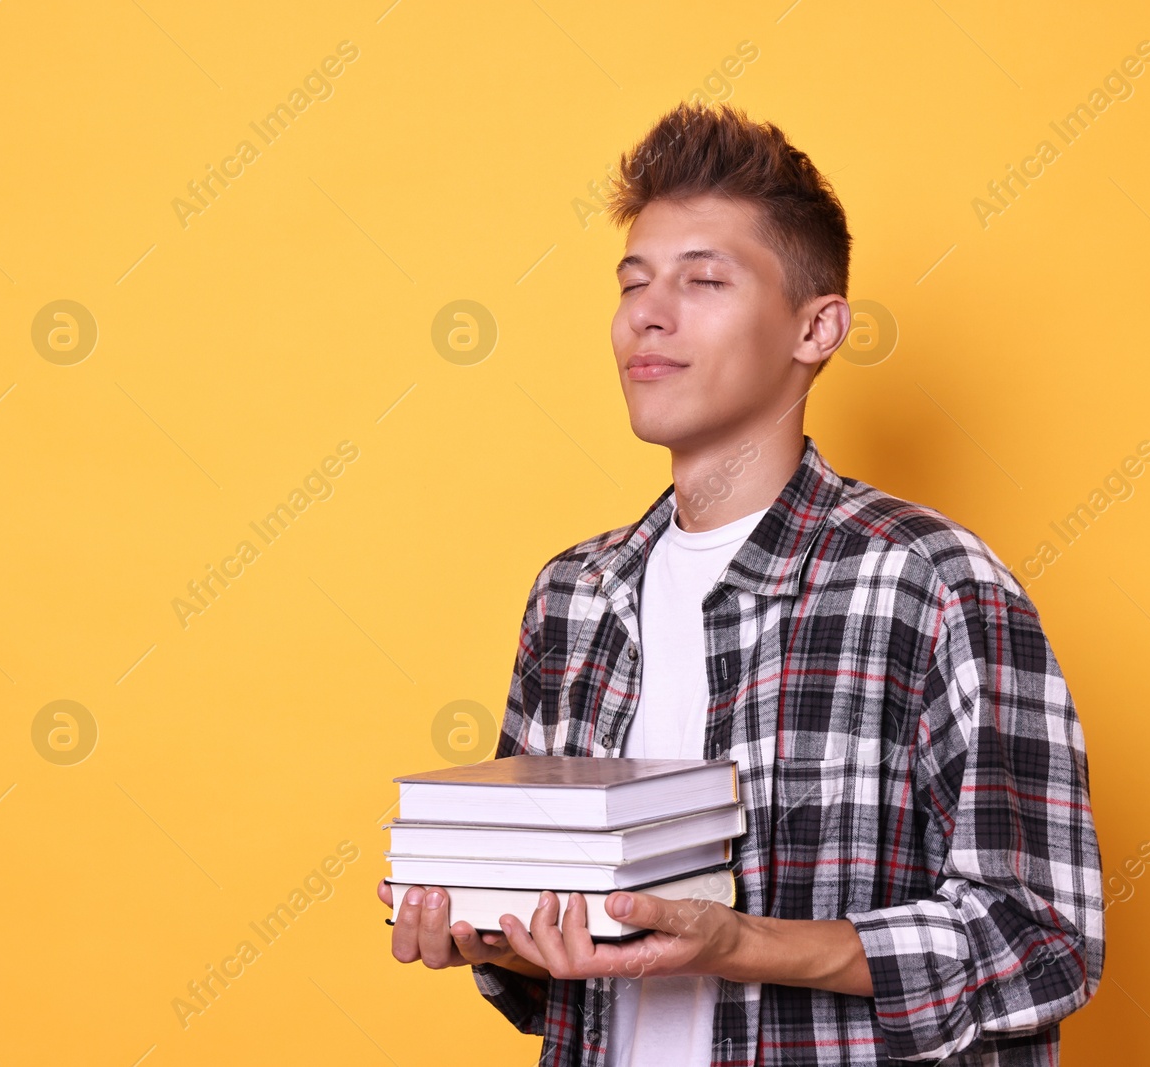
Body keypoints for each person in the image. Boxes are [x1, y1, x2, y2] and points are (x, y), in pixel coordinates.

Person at [378, 101, 1104, 1066]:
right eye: (633, 283)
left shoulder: (930, 585)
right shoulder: (575, 596)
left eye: (704, 279)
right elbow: (553, 973)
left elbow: (1043, 940)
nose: (649, 312)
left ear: (818, 326)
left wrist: (739, 941)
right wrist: (485, 929)